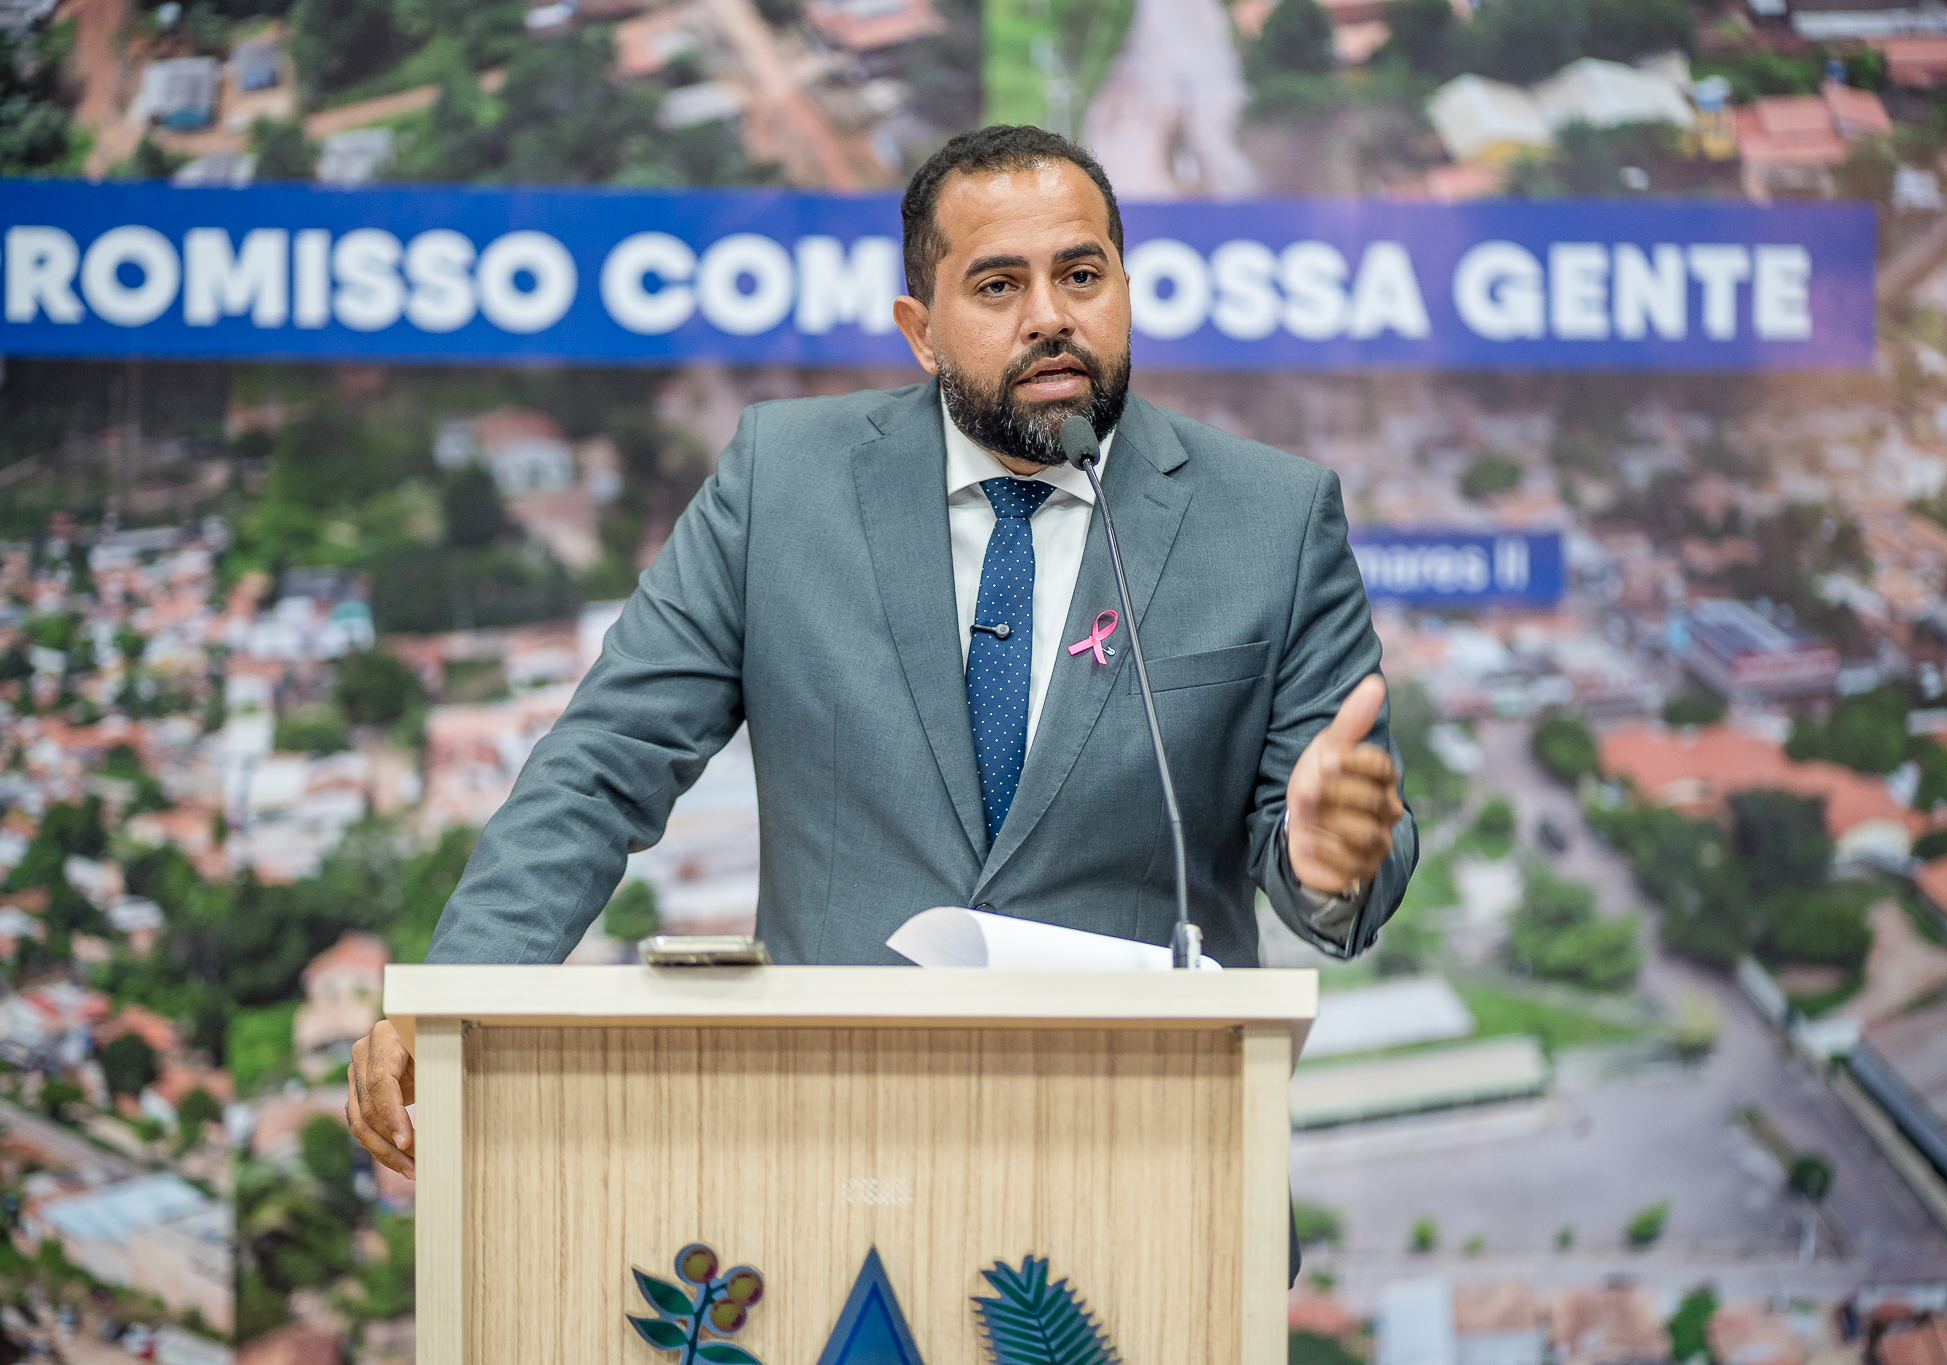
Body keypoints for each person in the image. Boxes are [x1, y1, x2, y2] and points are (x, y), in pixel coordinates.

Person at [347, 127, 1417, 1202]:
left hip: (1153, 1176)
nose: (1049, 315)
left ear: (1126, 292)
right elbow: (601, 764)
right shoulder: (781, 483)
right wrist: (453, 998)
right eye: (997, 285)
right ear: (921, 331)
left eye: (1081, 275)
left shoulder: (1273, 519)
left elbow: (1338, 857)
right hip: (830, 1168)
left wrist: (1326, 863)